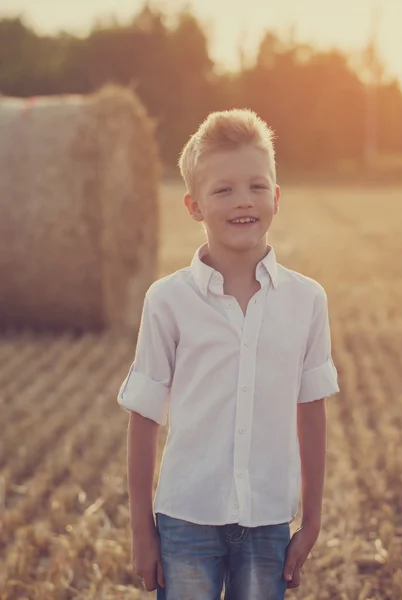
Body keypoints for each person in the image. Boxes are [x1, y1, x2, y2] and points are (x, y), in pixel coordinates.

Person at [117, 108, 339, 600]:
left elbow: (312, 413)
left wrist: (313, 518)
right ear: (194, 206)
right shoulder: (166, 300)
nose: (244, 201)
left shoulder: (307, 301)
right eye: (223, 190)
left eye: (257, 186)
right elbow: (144, 417)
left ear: (276, 198)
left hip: (267, 524)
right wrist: (141, 530)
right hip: (184, 520)